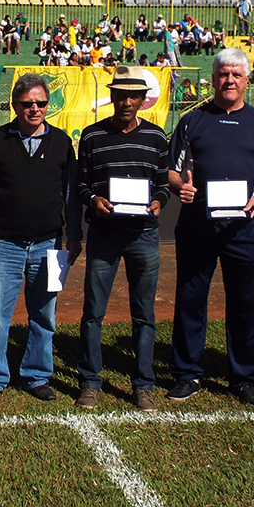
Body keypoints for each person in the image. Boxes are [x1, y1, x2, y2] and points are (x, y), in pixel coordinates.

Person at [167, 49, 254, 406]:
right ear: (214, 78)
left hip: (244, 228)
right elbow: (170, 170)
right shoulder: (192, 121)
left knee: (245, 303)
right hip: (197, 226)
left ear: (247, 80)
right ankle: (187, 374)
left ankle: (244, 378)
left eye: (236, 74)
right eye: (223, 74)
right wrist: (180, 186)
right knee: (190, 299)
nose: (230, 80)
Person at [0, 74, 82, 405]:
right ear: (15, 105)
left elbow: (71, 195)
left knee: (45, 314)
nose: (35, 109)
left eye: (41, 103)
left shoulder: (62, 142)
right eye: (27, 103)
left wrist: (74, 235)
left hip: (50, 244)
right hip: (4, 243)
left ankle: (37, 375)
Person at [75, 68, 170, 412]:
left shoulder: (157, 137)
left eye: (134, 96)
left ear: (143, 100)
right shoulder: (92, 136)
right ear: (112, 97)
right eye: (121, 95)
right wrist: (93, 201)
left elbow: (163, 184)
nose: (127, 102)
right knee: (93, 312)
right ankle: (90, 382)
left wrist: (159, 201)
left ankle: (143, 384)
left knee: (143, 314)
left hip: (143, 235)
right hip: (104, 234)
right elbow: (81, 184)